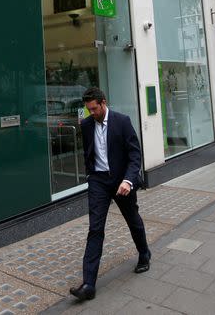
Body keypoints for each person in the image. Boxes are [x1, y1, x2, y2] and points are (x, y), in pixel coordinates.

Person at [70, 87, 150, 301]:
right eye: (88, 110)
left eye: (94, 108)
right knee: (95, 229)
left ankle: (144, 253)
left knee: (132, 220)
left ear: (103, 102)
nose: (91, 113)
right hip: (98, 181)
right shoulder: (86, 125)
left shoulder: (122, 121)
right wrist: (90, 176)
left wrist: (128, 180)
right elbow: (89, 152)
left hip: (121, 180)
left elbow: (135, 154)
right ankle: (88, 284)